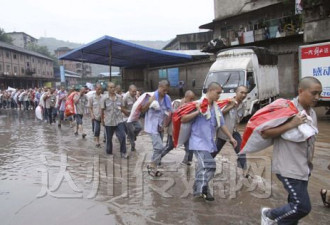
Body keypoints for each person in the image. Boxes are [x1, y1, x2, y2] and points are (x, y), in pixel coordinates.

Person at [260, 76, 322, 225]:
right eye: (314, 93)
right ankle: (269, 215)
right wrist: (291, 124)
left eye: (319, 93)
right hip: (288, 167)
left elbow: (310, 140)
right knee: (302, 207)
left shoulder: (312, 113)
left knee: (294, 207)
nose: (317, 97)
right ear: (301, 91)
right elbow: (265, 132)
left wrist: (309, 165)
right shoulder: (286, 109)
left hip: (303, 168)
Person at [181, 82, 237, 201]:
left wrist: (231, 138)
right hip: (198, 143)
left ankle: (200, 189)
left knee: (204, 167)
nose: (219, 96)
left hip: (208, 143)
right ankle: (200, 190)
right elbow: (183, 119)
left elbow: (222, 124)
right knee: (210, 165)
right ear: (210, 91)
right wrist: (197, 111)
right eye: (218, 93)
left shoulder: (216, 108)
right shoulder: (197, 104)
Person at [212, 86, 249, 175]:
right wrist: (231, 106)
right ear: (236, 92)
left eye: (245, 93)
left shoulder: (243, 105)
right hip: (223, 132)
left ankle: (245, 172)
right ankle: (204, 164)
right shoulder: (228, 102)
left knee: (241, 150)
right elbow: (218, 114)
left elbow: (239, 119)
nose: (243, 95)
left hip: (234, 131)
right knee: (214, 151)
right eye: (241, 92)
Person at [142, 80, 172, 177]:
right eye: (164, 90)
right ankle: (151, 165)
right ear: (159, 87)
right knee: (158, 147)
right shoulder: (151, 96)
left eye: (167, 90)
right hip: (151, 125)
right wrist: (149, 103)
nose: (165, 92)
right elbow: (142, 110)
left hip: (160, 125)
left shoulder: (167, 98)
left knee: (158, 148)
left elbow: (169, 111)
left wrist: (165, 125)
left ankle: (153, 168)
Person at [160, 90, 196, 165]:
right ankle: (157, 158)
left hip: (186, 130)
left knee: (190, 147)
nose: (192, 101)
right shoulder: (177, 103)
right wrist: (164, 125)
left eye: (193, 99)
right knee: (169, 146)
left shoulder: (193, 106)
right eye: (190, 99)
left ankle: (187, 161)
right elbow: (175, 115)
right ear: (186, 97)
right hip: (174, 129)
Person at [101, 82, 129, 158]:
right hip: (109, 121)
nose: (112, 89)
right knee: (109, 138)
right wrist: (102, 120)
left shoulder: (119, 97)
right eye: (110, 87)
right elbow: (102, 110)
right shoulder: (104, 98)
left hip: (119, 120)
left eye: (113, 87)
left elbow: (122, 107)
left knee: (123, 136)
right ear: (107, 88)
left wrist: (126, 113)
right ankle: (109, 153)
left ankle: (123, 152)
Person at [123, 84, 142, 152]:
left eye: (135, 91)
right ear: (129, 91)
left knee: (139, 127)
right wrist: (126, 113)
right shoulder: (125, 97)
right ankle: (132, 145)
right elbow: (122, 107)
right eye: (133, 92)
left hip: (134, 116)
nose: (134, 93)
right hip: (127, 117)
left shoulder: (137, 96)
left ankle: (133, 137)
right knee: (131, 130)